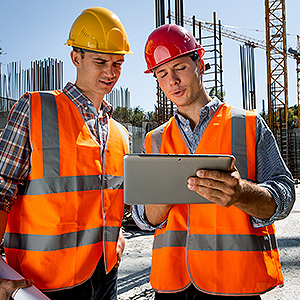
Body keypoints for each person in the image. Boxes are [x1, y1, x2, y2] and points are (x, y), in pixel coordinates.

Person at [131, 24, 295, 299]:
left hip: (234, 282)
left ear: (200, 64)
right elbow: (142, 218)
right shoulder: (154, 140)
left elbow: (285, 197)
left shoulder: (249, 125)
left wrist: (243, 192)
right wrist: (156, 204)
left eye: (180, 67)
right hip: (174, 284)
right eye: (162, 74)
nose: (172, 80)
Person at [0, 7, 132, 300]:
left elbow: (108, 201)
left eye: (118, 63)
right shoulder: (35, 109)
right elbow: (1, 189)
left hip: (105, 276)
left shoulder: (120, 134)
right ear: (76, 57)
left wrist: (117, 236)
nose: (110, 73)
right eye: (100, 61)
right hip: (41, 282)